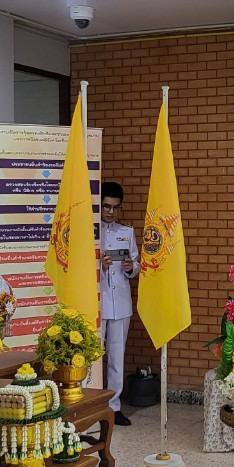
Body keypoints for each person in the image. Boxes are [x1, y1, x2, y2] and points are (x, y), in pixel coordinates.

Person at [99, 181, 139, 426]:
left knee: (117, 357)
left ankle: (113, 407)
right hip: (98, 303)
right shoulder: (91, 233)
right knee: (94, 358)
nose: (110, 211)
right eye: (106, 206)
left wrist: (130, 267)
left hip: (121, 303)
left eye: (115, 207)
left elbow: (137, 264)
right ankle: (92, 406)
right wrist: (99, 266)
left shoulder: (127, 232)